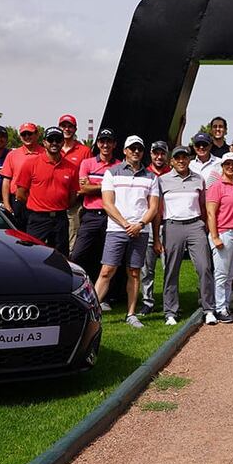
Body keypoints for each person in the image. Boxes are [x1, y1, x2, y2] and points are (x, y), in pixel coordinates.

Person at [94, 136, 158, 328]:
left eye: (139, 148)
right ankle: (92, 311)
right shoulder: (111, 173)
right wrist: (125, 224)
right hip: (117, 229)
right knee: (107, 271)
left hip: (140, 230)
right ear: (124, 150)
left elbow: (153, 207)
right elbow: (107, 203)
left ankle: (131, 314)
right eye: (132, 148)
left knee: (134, 272)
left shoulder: (151, 177)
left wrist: (139, 224)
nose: (136, 151)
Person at [153, 145, 217, 326]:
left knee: (204, 267)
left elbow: (204, 206)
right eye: (177, 158)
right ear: (171, 161)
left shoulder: (199, 179)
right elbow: (158, 211)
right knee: (171, 270)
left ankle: (209, 309)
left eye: (184, 157)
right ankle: (170, 312)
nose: (181, 161)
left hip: (195, 225)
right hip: (172, 226)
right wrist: (157, 237)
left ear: (189, 159)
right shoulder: (163, 180)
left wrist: (204, 226)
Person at [14, 126, 80, 253]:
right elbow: (20, 194)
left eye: (58, 139)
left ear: (63, 142)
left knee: (60, 257)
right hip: (37, 218)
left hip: (60, 218)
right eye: (51, 139)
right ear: (44, 142)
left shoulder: (71, 167)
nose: (54, 143)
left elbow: (72, 197)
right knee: (31, 255)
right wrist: (38, 204)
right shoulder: (31, 163)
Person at [71, 129, 120, 289]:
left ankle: (105, 295)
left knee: (106, 256)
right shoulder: (88, 163)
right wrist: (107, 186)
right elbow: (83, 189)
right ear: (98, 143)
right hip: (90, 215)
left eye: (109, 141)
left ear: (114, 144)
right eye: (102, 141)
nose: (105, 145)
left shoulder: (119, 165)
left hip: (110, 216)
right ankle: (78, 287)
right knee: (78, 254)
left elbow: (119, 190)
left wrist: (94, 186)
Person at [207, 152, 233, 323]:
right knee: (221, 273)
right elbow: (211, 213)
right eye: (227, 164)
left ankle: (225, 304)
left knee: (231, 274)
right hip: (224, 232)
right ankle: (219, 308)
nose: (231, 167)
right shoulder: (217, 186)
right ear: (222, 166)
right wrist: (215, 236)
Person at [140, 140, 170, 316]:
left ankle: (169, 301)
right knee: (147, 268)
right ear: (151, 154)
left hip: (167, 224)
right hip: (148, 224)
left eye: (162, 153)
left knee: (169, 267)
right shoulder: (144, 174)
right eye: (156, 153)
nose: (159, 156)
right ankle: (147, 301)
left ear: (166, 155)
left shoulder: (172, 173)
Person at [57, 114, 92, 248]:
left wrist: (78, 192)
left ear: (75, 129)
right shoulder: (52, 148)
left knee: (73, 240)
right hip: (54, 203)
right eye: (63, 126)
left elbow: (88, 176)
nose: (66, 129)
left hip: (75, 204)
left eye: (70, 126)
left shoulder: (84, 151)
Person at [1, 123, 42, 228]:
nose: (27, 137)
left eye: (30, 133)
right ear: (20, 137)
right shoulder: (12, 155)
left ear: (37, 135)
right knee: (19, 232)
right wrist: (6, 203)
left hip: (38, 200)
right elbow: (6, 180)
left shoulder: (45, 153)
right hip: (17, 201)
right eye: (24, 134)